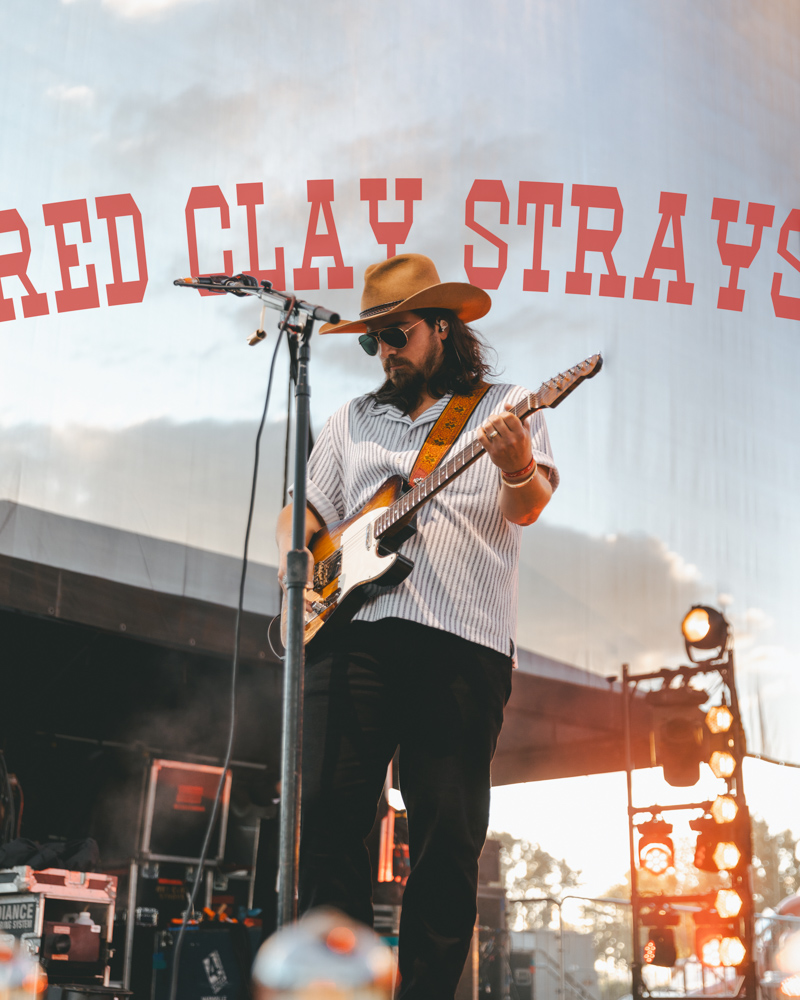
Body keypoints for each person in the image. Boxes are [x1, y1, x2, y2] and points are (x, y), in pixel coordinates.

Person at [275, 253, 559, 999]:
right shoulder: (350, 420)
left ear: (442, 326)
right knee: (332, 828)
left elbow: (527, 507)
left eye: (396, 333)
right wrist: (297, 552)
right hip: (354, 641)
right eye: (372, 341)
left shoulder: (507, 405)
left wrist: (518, 460)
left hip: (458, 645)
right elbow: (303, 509)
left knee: (446, 840)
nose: (385, 351)